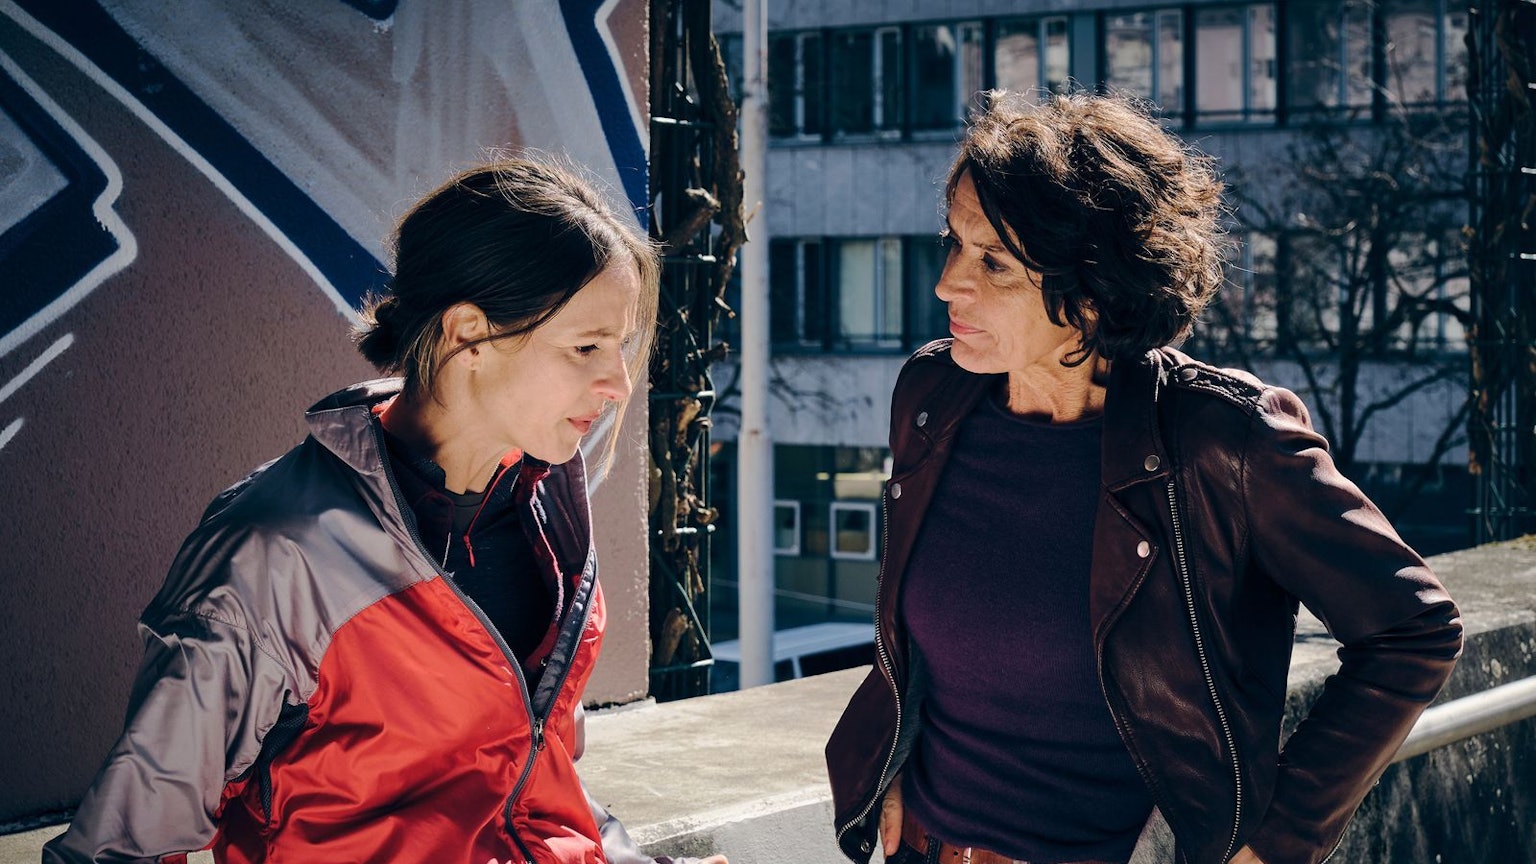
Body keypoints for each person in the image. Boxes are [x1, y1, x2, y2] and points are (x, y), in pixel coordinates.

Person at [824, 92, 1462, 864]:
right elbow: (915, 639)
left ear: (1091, 291)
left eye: (993, 261)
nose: (948, 285)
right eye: (954, 244)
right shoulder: (932, 398)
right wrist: (893, 756)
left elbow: (1413, 629)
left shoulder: (1225, 441)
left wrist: (1274, 844)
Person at [45, 158, 726, 864]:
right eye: (586, 347)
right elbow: (116, 849)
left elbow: (529, 789)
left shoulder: (547, 516)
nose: (617, 384)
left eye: (619, 349)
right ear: (467, 335)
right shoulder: (275, 555)